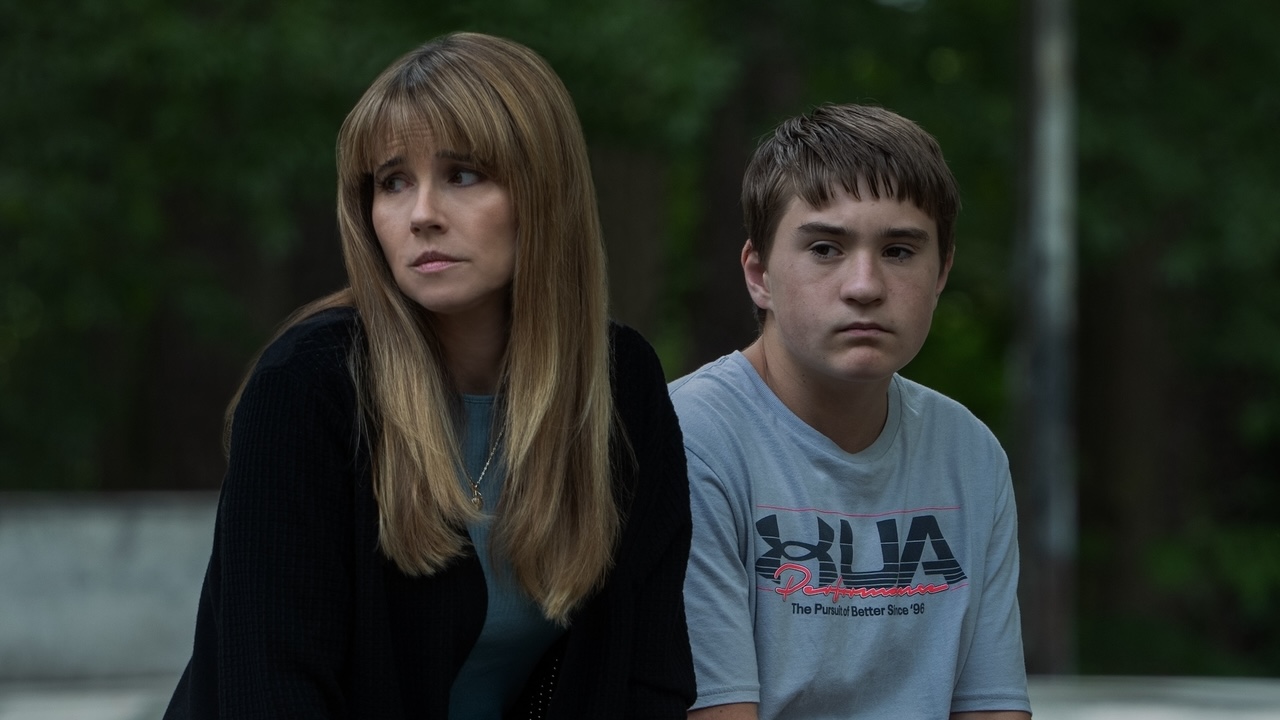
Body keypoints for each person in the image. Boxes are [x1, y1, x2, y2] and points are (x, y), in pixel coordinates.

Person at [164, 32, 695, 719]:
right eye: (392, 182)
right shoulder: (309, 386)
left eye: (462, 175)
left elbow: (649, 675)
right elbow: (273, 689)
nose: (421, 215)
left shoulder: (620, 385)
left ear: (544, 191)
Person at [670, 103, 1031, 719]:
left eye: (898, 251)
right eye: (825, 248)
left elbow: (992, 707)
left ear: (941, 270)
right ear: (759, 274)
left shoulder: (968, 452)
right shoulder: (690, 437)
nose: (864, 285)